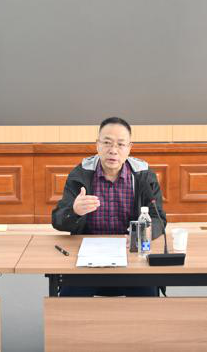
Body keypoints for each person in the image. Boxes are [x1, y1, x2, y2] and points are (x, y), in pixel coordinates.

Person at [52, 117, 166, 296]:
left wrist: (147, 231)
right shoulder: (80, 174)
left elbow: (159, 218)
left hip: (131, 256)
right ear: (97, 145)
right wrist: (74, 211)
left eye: (120, 144)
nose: (113, 150)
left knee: (148, 297)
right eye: (107, 143)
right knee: (68, 300)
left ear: (129, 148)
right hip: (87, 260)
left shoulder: (143, 176)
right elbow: (58, 220)